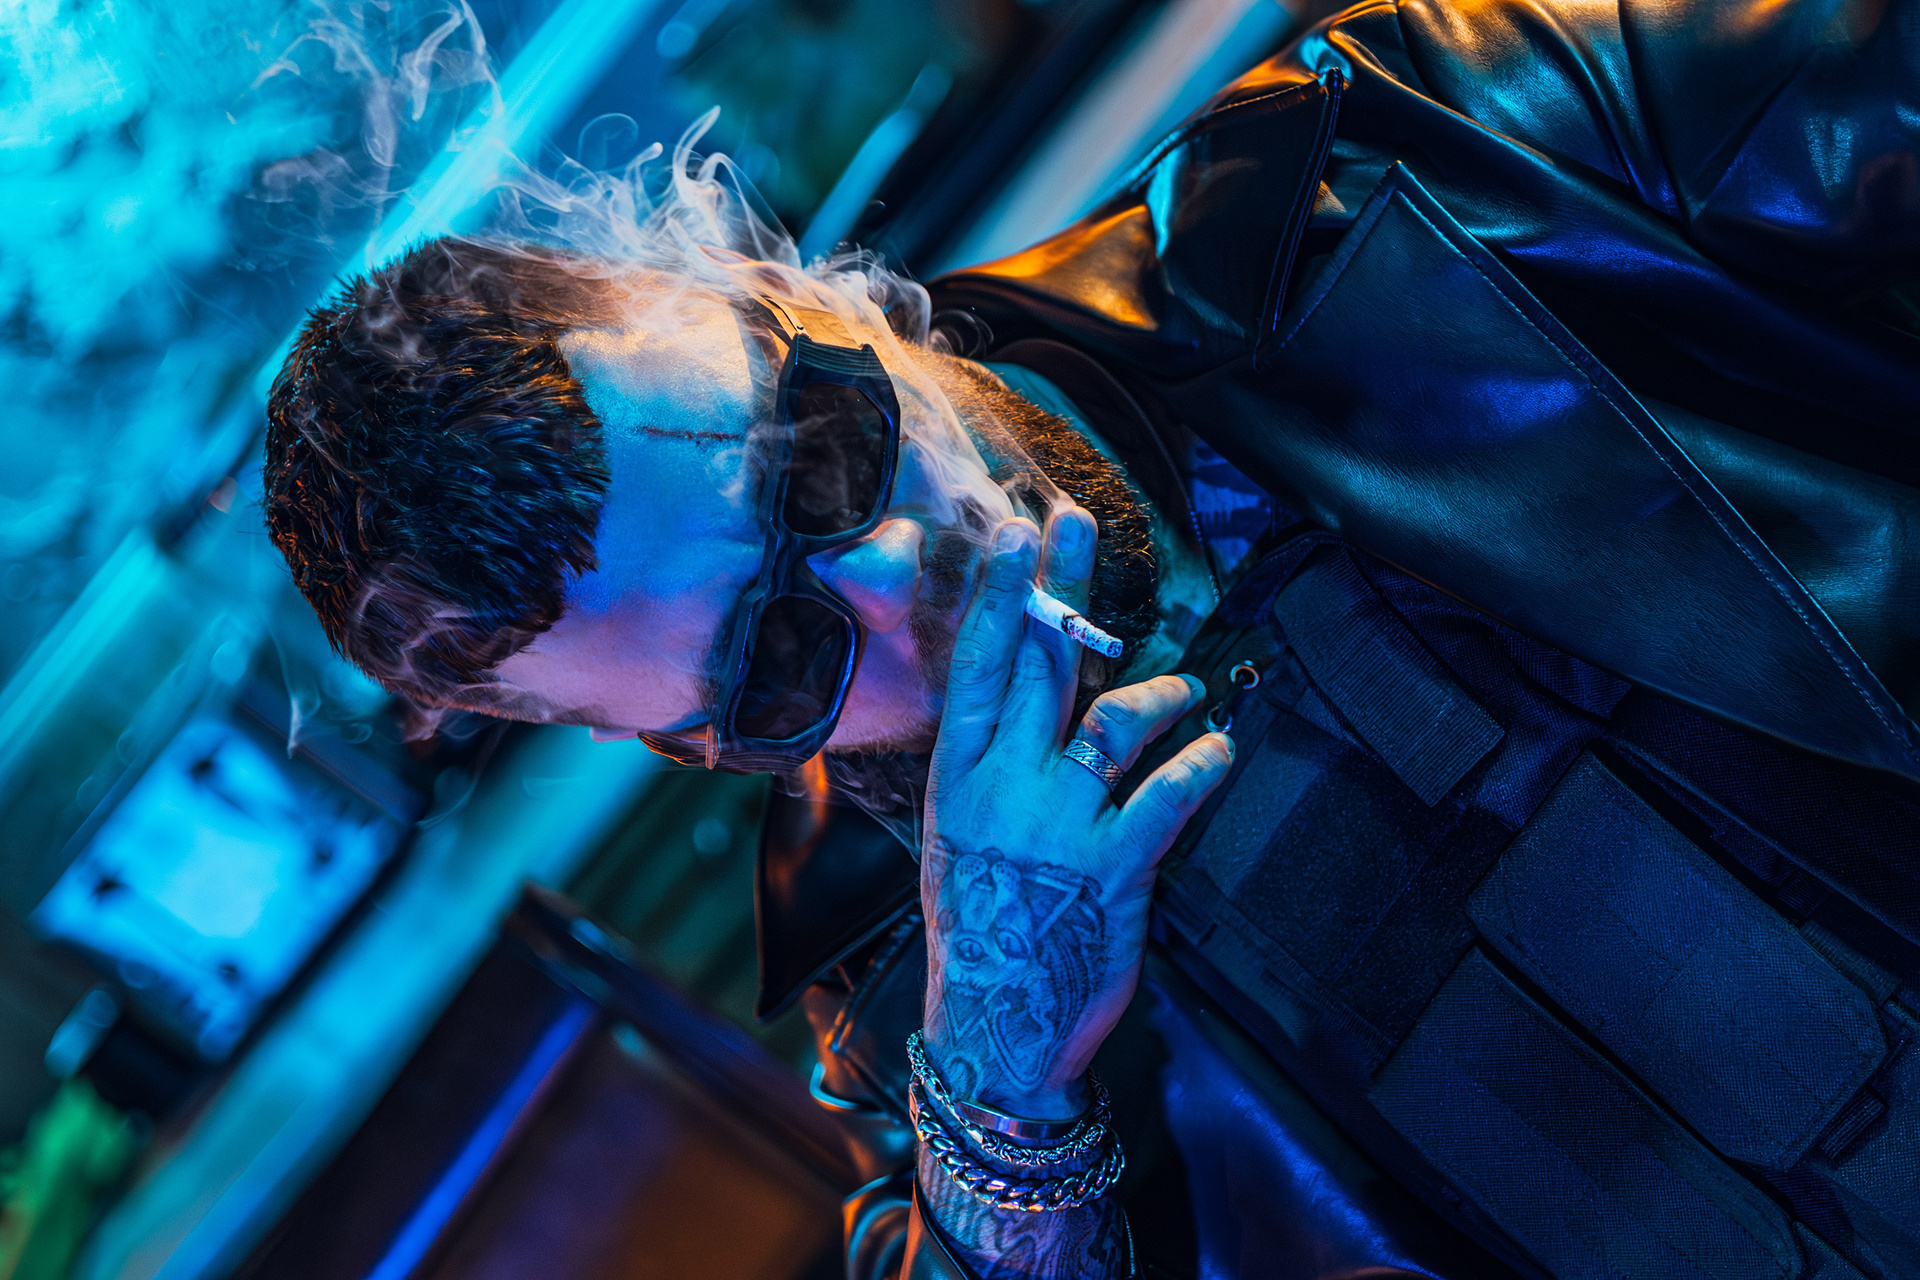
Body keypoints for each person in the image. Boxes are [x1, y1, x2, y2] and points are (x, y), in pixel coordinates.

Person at [263, 0, 1920, 1276]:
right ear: (689, 746)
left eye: (819, 452)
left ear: (794, 299)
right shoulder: (909, 993)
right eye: (777, 660)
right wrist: (1004, 1089)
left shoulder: (1379, 178)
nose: (903, 567)